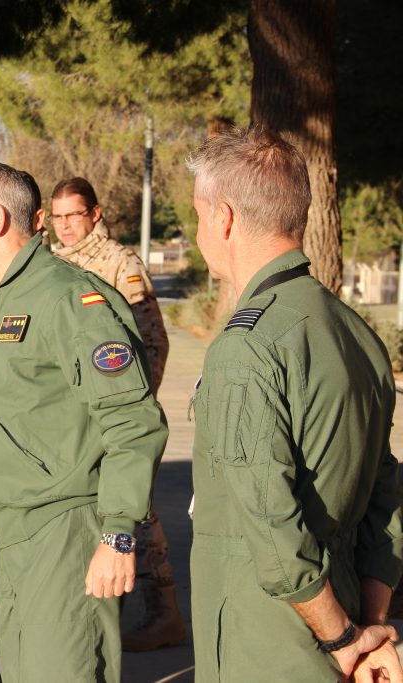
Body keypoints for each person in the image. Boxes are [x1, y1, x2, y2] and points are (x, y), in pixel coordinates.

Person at [0, 162, 169, 682]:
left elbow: (133, 421)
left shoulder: (70, 300)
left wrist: (118, 535)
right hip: (14, 535)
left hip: (67, 533)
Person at [185, 126, 403, 682]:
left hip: (267, 637)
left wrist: (342, 638)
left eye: (199, 216)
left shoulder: (246, 346)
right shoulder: (356, 331)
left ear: (225, 218)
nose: (198, 232)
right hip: (344, 612)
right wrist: (368, 626)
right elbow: (387, 496)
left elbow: (269, 522)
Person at [50, 177, 183, 652]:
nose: (66, 225)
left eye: (75, 215)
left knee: (133, 511)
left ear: (95, 213)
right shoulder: (50, 264)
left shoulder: (119, 264)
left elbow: (151, 342)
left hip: (113, 415)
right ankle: (108, 612)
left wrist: (131, 411)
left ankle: (163, 613)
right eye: (58, 216)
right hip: (71, 417)